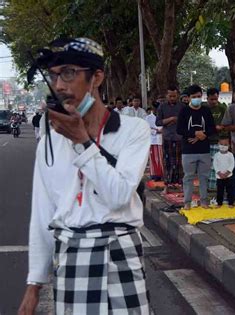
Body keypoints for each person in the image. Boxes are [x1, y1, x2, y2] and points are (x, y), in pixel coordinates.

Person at [18, 37, 149, 314]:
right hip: (72, 256)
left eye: (68, 73)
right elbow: (42, 215)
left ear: (96, 77)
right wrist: (34, 286)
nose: (60, 85)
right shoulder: (48, 143)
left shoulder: (133, 130)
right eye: (54, 76)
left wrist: (83, 142)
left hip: (121, 254)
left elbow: (118, 196)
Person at [177, 84, 216, 209]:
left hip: (204, 149)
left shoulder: (206, 110)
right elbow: (180, 129)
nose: (197, 99)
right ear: (188, 98)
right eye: (194, 97)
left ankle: (204, 201)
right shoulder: (184, 111)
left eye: (199, 96)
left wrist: (202, 135)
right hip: (188, 151)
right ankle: (187, 202)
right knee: (188, 177)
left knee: (203, 177)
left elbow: (212, 128)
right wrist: (195, 133)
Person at [156, 85, 186, 191]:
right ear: (167, 96)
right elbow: (158, 122)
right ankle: (167, 185)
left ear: (177, 95)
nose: (172, 98)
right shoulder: (162, 107)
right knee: (167, 162)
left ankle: (181, 184)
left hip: (179, 137)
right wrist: (170, 119)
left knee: (180, 162)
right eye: (170, 96)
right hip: (167, 137)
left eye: (174, 96)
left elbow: (186, 121)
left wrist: (177, 120)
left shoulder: (182, 107)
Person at [205, 87, 227, 191]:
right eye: (211, 99)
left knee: (216, 165)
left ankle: (213, 187)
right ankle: (205, 186)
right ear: (207, 98)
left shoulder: (222, 108)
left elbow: (226, 124)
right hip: (204, 140)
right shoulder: (203, 108)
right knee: (205, 165)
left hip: (217, 140)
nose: (214, 101)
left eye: (216, 99)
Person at [213, 136, 235, 207]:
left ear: (229, 145)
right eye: (221, 144)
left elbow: (232, 164)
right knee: (220, 191)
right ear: (218, 144)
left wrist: (227, 173)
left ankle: (231, 203)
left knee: (230, 190)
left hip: (228, 176)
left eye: (225, 144)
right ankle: (219, 203)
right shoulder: (216, 155)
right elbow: (215, 165)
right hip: (219, 176)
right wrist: (219, 173)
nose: (223, 146)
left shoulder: (230, 155)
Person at [146, 107, 164, 181]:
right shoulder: (148, 118)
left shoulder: (164, 116)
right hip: (153, 140)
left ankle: (163, 174)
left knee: (162, 158)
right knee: (154, 158)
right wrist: (156, 131)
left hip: (162, 139)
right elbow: (146, 128)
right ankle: (154, 174)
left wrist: (163, 130)